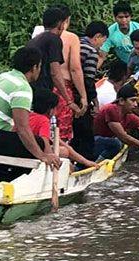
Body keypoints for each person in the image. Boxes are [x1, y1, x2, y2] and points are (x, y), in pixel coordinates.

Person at [0, 47, 61, 169]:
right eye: (39, 66)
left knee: (22, 143)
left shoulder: (4, 77)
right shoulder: (22, 88)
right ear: (34, 67)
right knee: (38, 143)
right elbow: (22, 128)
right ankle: (7, 177)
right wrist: (42, 156)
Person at [26, 7, 80, 139]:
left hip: (31, 89)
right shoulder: (54, 39)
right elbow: (55, 72)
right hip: (42, 90)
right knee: (47, 127)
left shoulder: (35, 39)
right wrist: (68, 100)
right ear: (61, 24)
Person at [29, 88, 99, 169]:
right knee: (64, 152)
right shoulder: (44, 121)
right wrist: (49, 158)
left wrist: (85, 162)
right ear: (50, 109)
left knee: (67, 150)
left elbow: (59, 142)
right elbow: (45, 141)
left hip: (27, 150)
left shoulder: (27, 116)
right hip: (36, 153)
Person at [72, 21, 109, 161]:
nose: (101, 46)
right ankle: (85, 163)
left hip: (66, 94)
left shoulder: (74, 44)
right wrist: (94, 101)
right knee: (85, 132)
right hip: (79, 96)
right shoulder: (91, 51)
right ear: (98, 36)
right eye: (102, 42)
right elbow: (88, 79)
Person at [54, 5, 88, 141]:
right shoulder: (71, 38)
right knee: (62, 131)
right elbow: (75, 69)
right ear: (66, 20)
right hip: (63, 87)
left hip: (43, 87)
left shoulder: (39, 36)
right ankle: (63, 159)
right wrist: (83, 96)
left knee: (45, 126)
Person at [99, 2, 139, 68]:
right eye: (120, 17)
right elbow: (102, 56)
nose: (124, 20)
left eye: (126, 17)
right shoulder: (110, 32)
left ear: (131, 17)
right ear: (115, 17)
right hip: (125, 67)